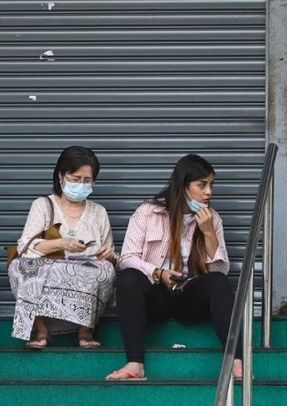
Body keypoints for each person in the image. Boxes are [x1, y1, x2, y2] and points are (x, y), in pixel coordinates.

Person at [106, 154, 241, 381]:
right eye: (202, 185)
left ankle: (236, 361)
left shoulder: (212, 219)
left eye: (211, 185)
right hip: (156, 294)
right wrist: (158, 273)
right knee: (128, 278)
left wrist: (208, 232)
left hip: (189, 296)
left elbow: (220, 270)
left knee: (218, 282)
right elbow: (127, 257)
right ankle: (135, 364)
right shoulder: (148, 212)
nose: (209, 192)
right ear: (183, 186)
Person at [9, 146, 116, 349]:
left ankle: (85, 331)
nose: (81, 184)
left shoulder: (99, 212)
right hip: (49, 268)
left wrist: (109, 254)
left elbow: (108, 251)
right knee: (20, 267)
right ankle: (42, 331)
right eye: (75, 179)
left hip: (85, 272)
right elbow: (24, 247)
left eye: (87, 180)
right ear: (61, 176)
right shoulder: (42, 205)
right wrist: (61, 243)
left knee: (106, 270)